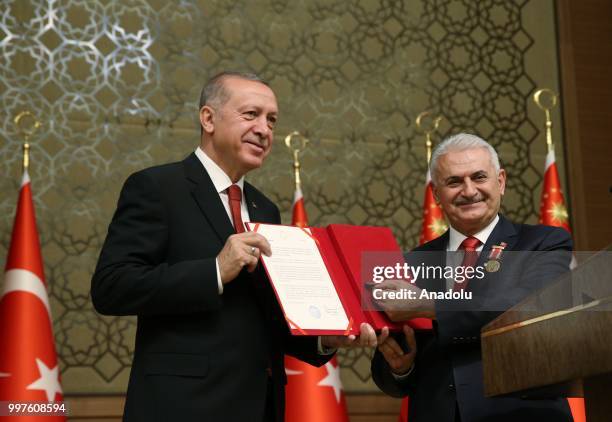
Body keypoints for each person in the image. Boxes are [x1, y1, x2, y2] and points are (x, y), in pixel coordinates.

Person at [91, 71, 376, 422]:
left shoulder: (263, 207)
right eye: (251, 114)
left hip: (260, 405)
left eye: (272, 120)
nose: (264, 129)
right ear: (208, 118)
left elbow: (264, 314)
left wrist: (327, 340)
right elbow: (111, 287)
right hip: (182, 406)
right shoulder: (156, 188)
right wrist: (214, 270)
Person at [371, 133, 573, 421]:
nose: (469, 191)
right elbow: (388, 373)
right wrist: (400, 368)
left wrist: (430, 305)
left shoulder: (544, 242)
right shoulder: (411, 263)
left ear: (500, 182)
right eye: (454, 182)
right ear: (437, 194)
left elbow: (521, 306)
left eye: (479, 177)